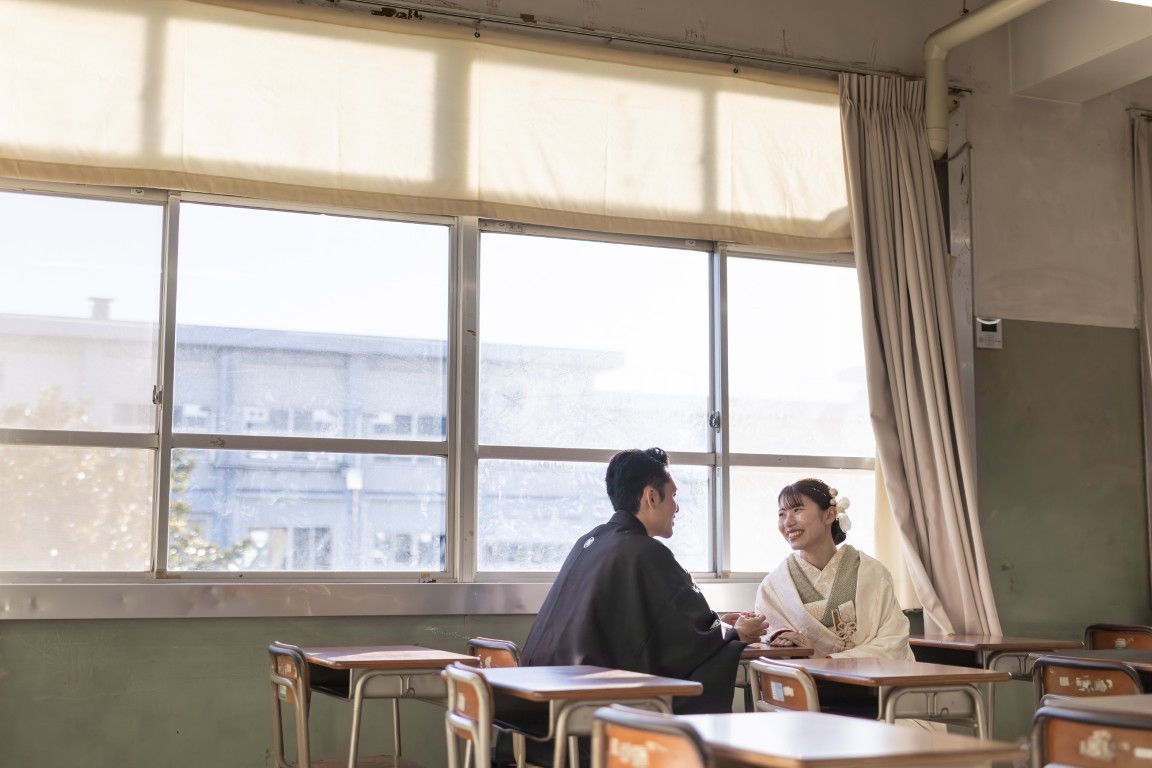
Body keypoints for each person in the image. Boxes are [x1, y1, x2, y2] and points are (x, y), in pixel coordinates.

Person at [521, 447, 769, 712]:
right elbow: (687, 643)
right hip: (588, 702)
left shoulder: (591, 540)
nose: (677, 507)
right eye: (673, 495)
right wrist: (735, 633)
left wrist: (719, 625)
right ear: (651, 496)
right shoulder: (644, 551)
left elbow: (649, 628)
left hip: (543, 695)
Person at [754, 478, 913, 660]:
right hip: (803, 676)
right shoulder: (773, 586)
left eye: (797, 510)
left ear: (829, 515)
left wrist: (828, 660)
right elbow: (767, 640)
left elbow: (893, 639)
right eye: (782, 514)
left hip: (866, 676)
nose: (787, 522)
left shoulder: (872, 573)